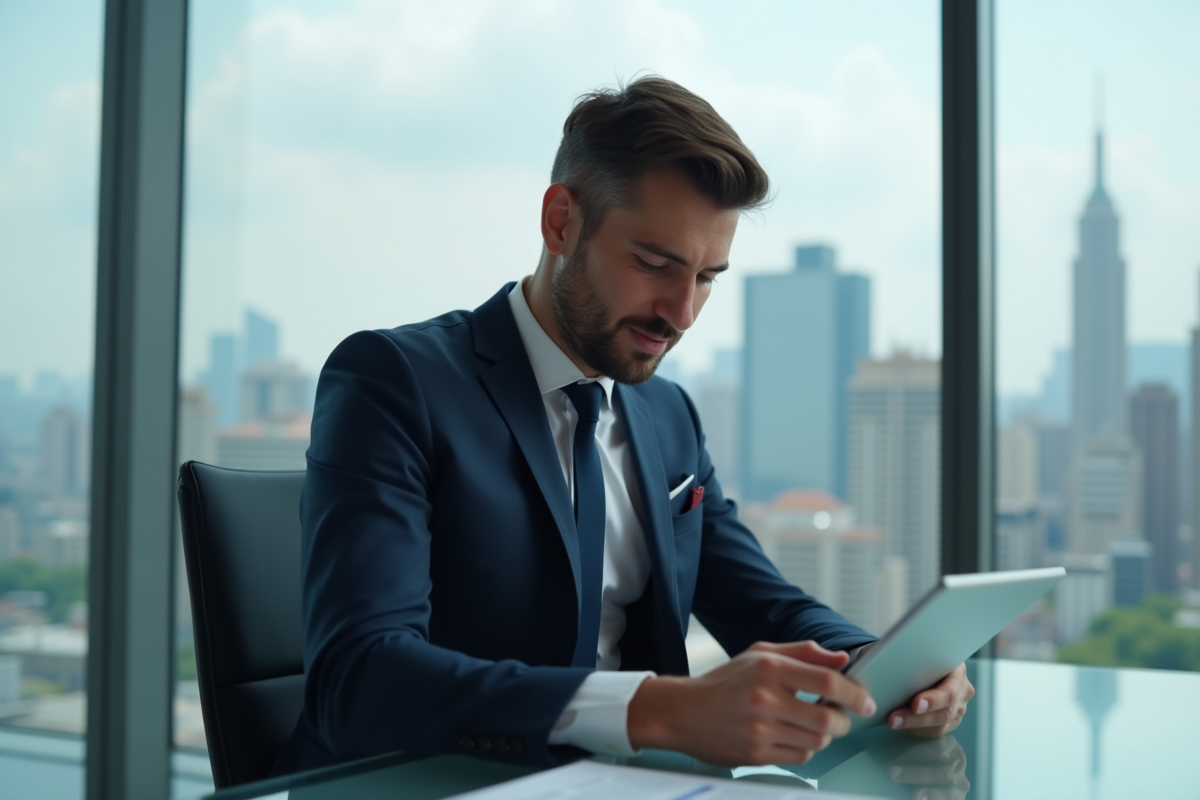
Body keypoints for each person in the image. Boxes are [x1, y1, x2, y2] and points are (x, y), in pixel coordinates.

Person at [273, 76, 973, 776]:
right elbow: (358, 679)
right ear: (560, 223)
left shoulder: (667, 416)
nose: (682, 313)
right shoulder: (394, 381)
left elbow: (767, 607)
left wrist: (884, 666)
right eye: (654, 264)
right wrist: (657, 711)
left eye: (706, 277)